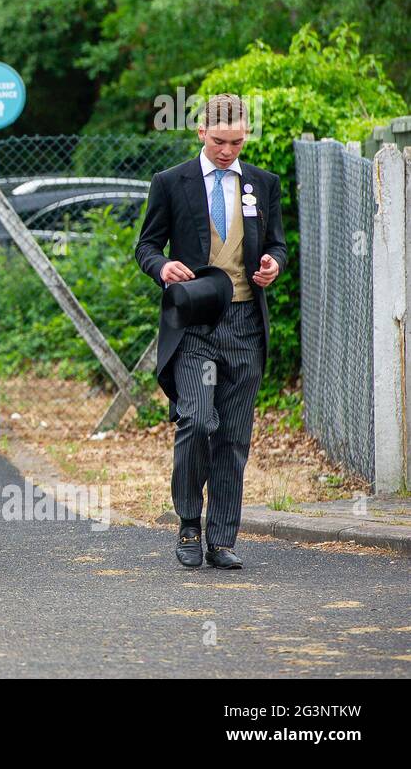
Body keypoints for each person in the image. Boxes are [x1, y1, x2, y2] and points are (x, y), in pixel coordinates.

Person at [135, 94, 287, 570]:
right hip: (195, 324)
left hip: (245, 324)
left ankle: (221, 539)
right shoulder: (171, 182)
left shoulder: (263, 183)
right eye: (220, 141)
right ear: (201, 132)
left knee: (235, 436)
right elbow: (145, 246)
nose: (227, 151)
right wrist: (163, 267)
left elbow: (279, 244)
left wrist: (273, 264)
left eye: (237, 142)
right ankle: (187, 523)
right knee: (197, 422)